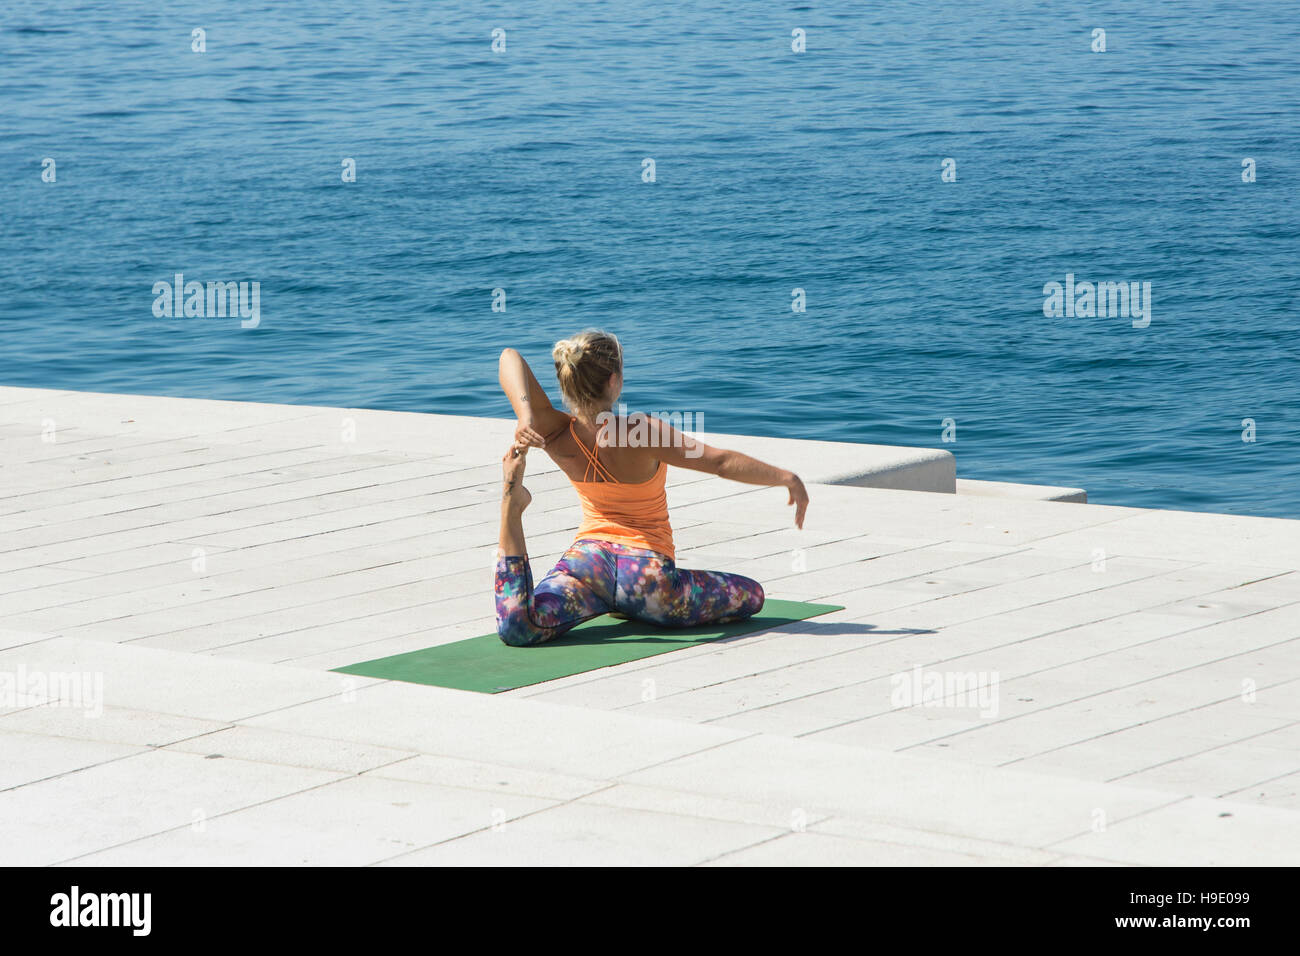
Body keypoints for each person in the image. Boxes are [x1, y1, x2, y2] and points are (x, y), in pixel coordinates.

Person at [494, 329, 809, 647]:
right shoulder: (641, 431)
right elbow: (720, 462)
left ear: (566, 381)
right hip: (649, 582)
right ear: (614, 381)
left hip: (588, 568)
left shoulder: (556, 433)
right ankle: (629, 603)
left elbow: (509, 356)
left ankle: (511, 506)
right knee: (752, 595)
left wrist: (525, 415)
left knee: (521, 627)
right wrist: (786, 477)